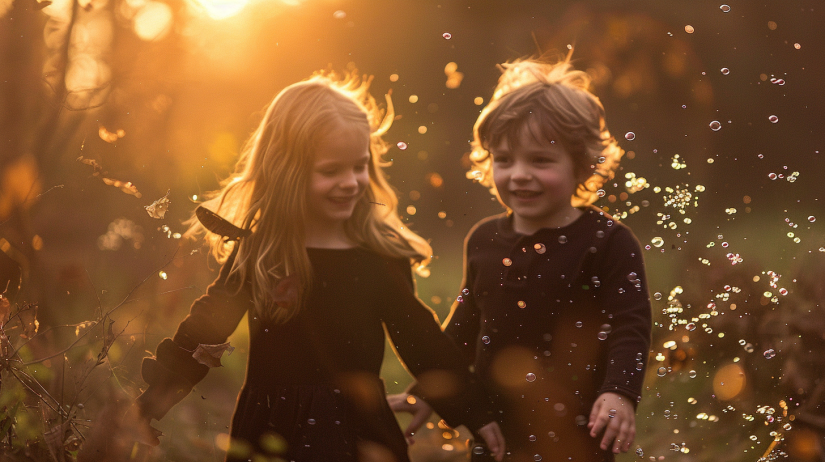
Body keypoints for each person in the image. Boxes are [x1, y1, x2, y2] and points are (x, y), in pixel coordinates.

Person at [126, 69, 505, 462]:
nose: (351, 182)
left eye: (359, 166)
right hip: (272, 428)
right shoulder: (262, 253)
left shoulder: (379, 256)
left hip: (358, 430)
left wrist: (473, 411)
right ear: (286, 172)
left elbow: (420, 338)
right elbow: (207, 327)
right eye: (331, 171)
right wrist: (152, 402)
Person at [390, 55, 651, 462]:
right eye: (505, 159)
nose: (519, 175)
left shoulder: (607, 242)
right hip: (495, 430)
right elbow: (465, 324)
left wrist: (619, 392)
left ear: (582, 165)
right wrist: (433, 389)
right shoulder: (483, 240)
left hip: (577, 431)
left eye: (541, 161)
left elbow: (628, 326)